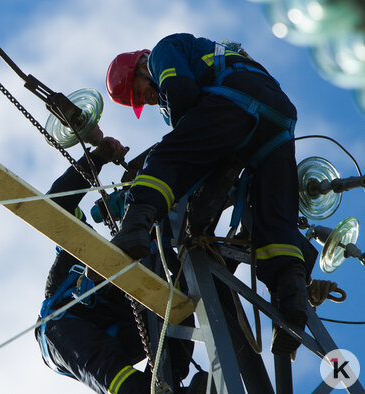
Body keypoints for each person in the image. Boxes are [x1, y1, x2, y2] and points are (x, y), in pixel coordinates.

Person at [105, 33, 310, 355]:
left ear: (142, 65)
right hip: (279, 117)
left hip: (237, 98)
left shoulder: (163, 51)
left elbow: (181, 93)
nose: (147, 99)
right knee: (273, 215)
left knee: (167, 159)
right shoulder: (216, 57)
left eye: (139, 92)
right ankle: (292, 301)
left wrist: (175, 162)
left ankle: (134, 226)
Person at [35, 134, 204, 394]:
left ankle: (168, 385)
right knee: (105, 365)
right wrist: (97, 158)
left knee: (176, 309)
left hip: (118, 329)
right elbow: (56, 205)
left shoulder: (143, 262)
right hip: (65, 325)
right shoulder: (77, 249)